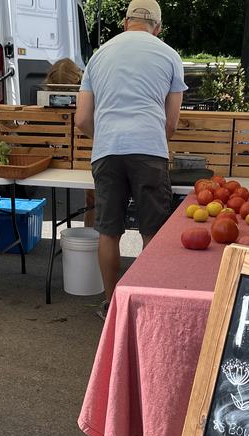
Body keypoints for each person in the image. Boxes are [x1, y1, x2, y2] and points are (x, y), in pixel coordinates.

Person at [75, 0, 185, 319]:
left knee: (108, 230)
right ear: (158, 27)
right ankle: (146, 306)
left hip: (107, 151)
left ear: (125, 22)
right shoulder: (169, 56)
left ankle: (112, 305)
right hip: (149, 149)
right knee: (151, 230)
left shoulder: (99, 56)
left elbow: (82, 119)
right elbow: (172, 124)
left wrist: (109, 136)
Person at [45, 58, 95, 228]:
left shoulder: (89, 96)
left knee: (93, 200)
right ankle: (90, 239)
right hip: (81, 157)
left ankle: (91, 240)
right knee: (92, 200)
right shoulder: (49, 107)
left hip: (89, 155)